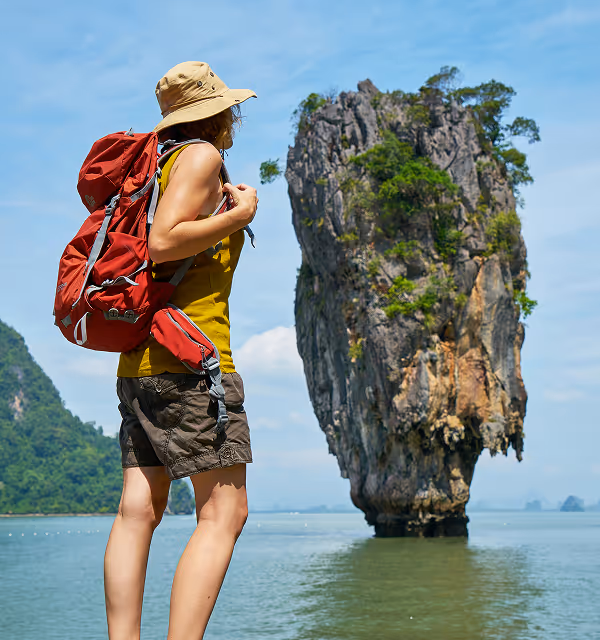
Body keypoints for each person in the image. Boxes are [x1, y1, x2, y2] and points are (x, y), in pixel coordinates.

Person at [103, 61, 258, 640]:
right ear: (221, 114)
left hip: (141, 363)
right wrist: (239, 215)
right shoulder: (200, 158)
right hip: (191, 364)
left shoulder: (154, 169)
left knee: (138, 511)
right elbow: (163, 242)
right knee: (224, 512)